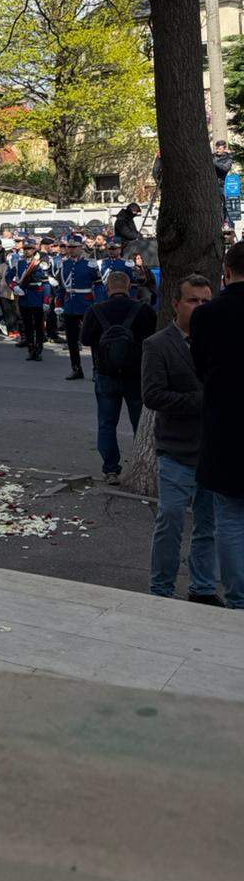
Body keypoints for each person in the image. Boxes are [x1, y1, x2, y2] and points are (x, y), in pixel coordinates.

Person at [142, 273, 220, 604]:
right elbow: (153, 395)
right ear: (176, 304)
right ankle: (161, 589)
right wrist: (203, 400)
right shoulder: (158, 344)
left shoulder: (221, 340)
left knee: (208, 527)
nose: (200, 307)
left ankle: (202, 588)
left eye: (206, 301)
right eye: (193, 300)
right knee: (171, 520)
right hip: (175, 451)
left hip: (213, 451)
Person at [191, 241, 244, 610]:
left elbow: (200, 369)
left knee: (229, 518)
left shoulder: (206, 316)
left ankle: (239, 597)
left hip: (226, 426)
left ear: (225, 272)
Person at [80, 269, 156, 484]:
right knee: (138, 423)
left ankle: (111, 469)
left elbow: (85, 340)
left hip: (105, 374)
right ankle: (141, 466)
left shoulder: (96, 310)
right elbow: (153, 339)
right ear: (130, 286)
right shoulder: (143, 310)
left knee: (106, 423)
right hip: (135, 374)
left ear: (107, 288)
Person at [59, 237, 99, 380]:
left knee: (94, 338)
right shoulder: (64, 265)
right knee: (71, 339)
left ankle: (96, 370)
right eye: (69, 247)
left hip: (86, 304)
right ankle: (76, 369)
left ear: (80, 248)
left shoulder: (90, 264)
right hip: (70, 305)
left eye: (74, 247)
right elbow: (61, 287)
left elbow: (98, 284)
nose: (71, 249)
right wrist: (59, 304)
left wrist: (98, 303)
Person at [11, 237, 50, 362]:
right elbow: (8, 276)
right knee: (27, 326)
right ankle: (31, 350)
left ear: (35, 249)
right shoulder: (19, 263)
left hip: (37, 298)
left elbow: (46, 283)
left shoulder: (40, 263)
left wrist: (46, 300)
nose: (27, 251)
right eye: (25, 248)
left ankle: (38, 350)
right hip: (24, 298)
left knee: (38, 326)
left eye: (30, 248)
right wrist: (14, 287)